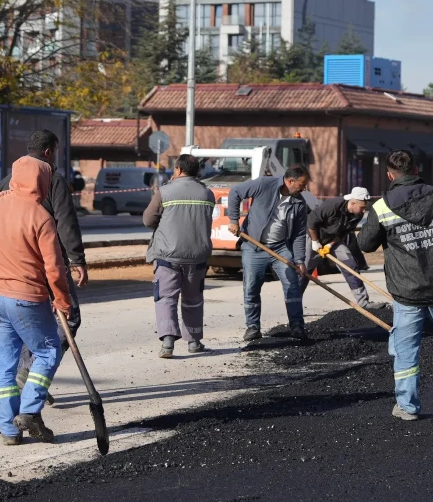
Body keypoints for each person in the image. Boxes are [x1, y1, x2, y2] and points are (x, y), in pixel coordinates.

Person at [358, 149, 433, 421]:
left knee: (406, 351)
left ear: (390, 175)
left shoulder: (382, 207)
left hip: (407, 291)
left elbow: (365, 244)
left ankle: (408, 406)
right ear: (416, 170)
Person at [0, 156, 73, 445]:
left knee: (3, 365)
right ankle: (29, 410)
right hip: (27, 299)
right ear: (43, 182)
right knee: (48, 351)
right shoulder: (41, 217)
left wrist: (4, 193)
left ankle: (9, 430)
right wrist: (62, 300)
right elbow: (55, 268)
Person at [0, 130, 87, 390]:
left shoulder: (7, 181)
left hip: (14, 264)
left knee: (27, 320)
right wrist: (77, 259)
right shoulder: (54, 180)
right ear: (49, 152)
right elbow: (66, 222)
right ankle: (33, 373)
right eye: (56, 152)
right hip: (49, 262)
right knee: (68, 317)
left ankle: (27, 375)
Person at [227, 164, 312, 341]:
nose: (304, 188)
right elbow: (235, 193)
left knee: (292, 285)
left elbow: (298, 234)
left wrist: (300, 260)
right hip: (254, 246)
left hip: (281, 248)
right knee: (251, 287)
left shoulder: (299, 203)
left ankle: (297, 326)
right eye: (301, 185)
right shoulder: (264, 184)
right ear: (290, 181)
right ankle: (253, 327)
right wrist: (234, 220)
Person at [142, 153, 215, 358]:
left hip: (168, 256)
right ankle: (194, 342)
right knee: (193, 299)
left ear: (178, 170)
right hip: (197, 257)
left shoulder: (164, 192)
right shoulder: (208, 194)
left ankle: (167, 343)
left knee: (166, 298)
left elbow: (148, 221)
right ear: (197, 172)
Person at [305, 187, 374, 309]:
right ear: (352, 203)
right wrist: (316, 242)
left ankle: (363, 302)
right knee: (305, 270)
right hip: (313, 237)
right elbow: (311, 222)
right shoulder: (332, 206)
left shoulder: (356, 215)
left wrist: (329, 245)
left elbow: (342, 234)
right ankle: (293, 304)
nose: (364, 211)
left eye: (365, 207)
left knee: (350, 265)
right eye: (362, 207)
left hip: (332, 239)